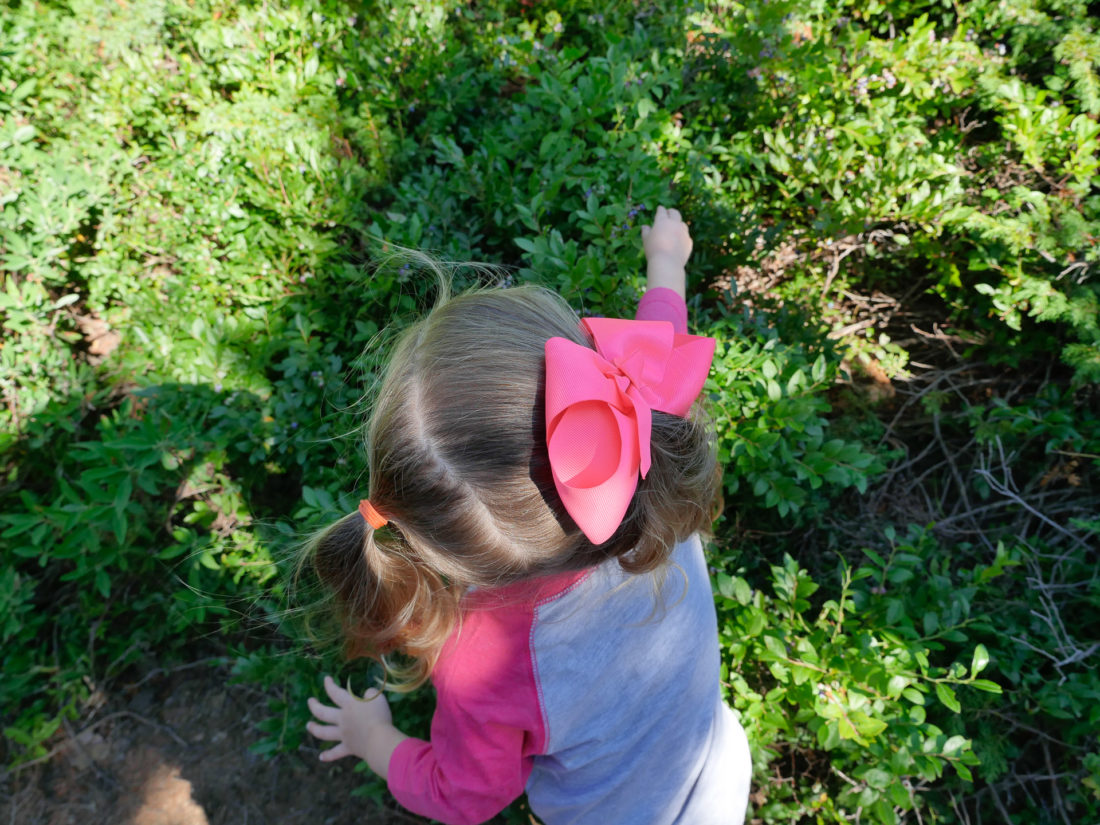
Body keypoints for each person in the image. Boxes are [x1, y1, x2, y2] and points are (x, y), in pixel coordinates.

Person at [305, 206, 752, 824]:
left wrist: (373, 740)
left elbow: (466, 796)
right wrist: (666, 264)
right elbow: (659, 352)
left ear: (435, 541)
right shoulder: (649, 445)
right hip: (715, 770)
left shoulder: (481, 659)